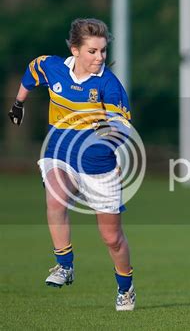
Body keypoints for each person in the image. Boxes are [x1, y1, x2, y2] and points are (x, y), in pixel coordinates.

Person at [7, 18, 136, 311]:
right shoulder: (52, 67)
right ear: (75, 50)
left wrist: (111, 143)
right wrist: (18, 103)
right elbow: (31, 72)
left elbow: (123, 127)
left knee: (112, 238)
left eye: (103, 51)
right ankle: (64, 264)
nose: (100, 57)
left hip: (98, 165)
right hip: (60, 153)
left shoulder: (109, 84)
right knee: (56, 197)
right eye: (92, 51)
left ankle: (125, 288)